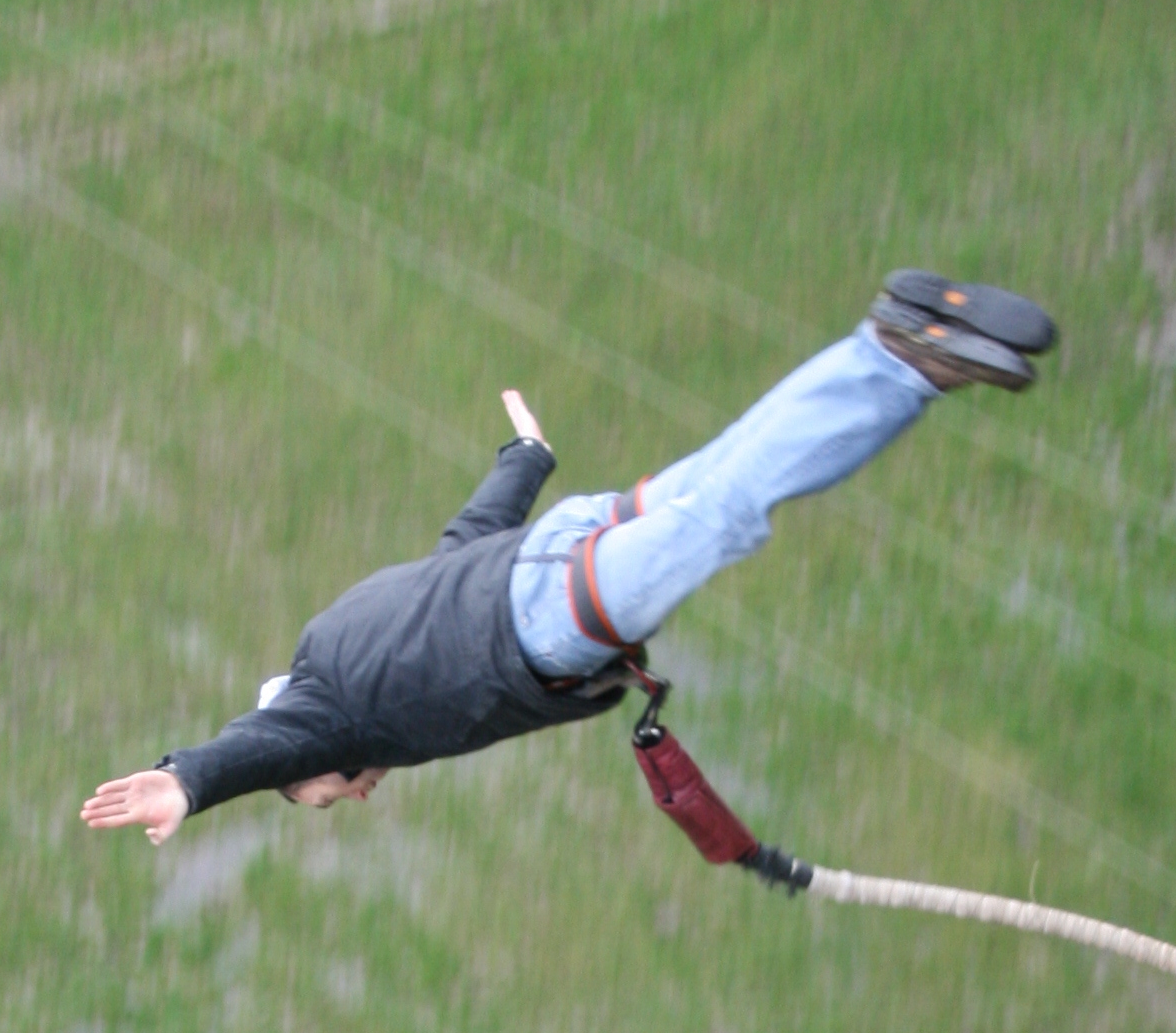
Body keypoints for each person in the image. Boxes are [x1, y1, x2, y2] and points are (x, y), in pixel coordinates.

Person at [80, 272, 1056, 844]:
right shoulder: (339, 637)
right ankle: (894, 349)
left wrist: (190, 779)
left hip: (549, 618)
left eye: (325, 789)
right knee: (728, 469)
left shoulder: (325, 718)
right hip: (551, 546)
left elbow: (271, 748)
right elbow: (457, 545)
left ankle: (899, 357)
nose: (350, 789)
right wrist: (524, 461)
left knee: (731, 504)